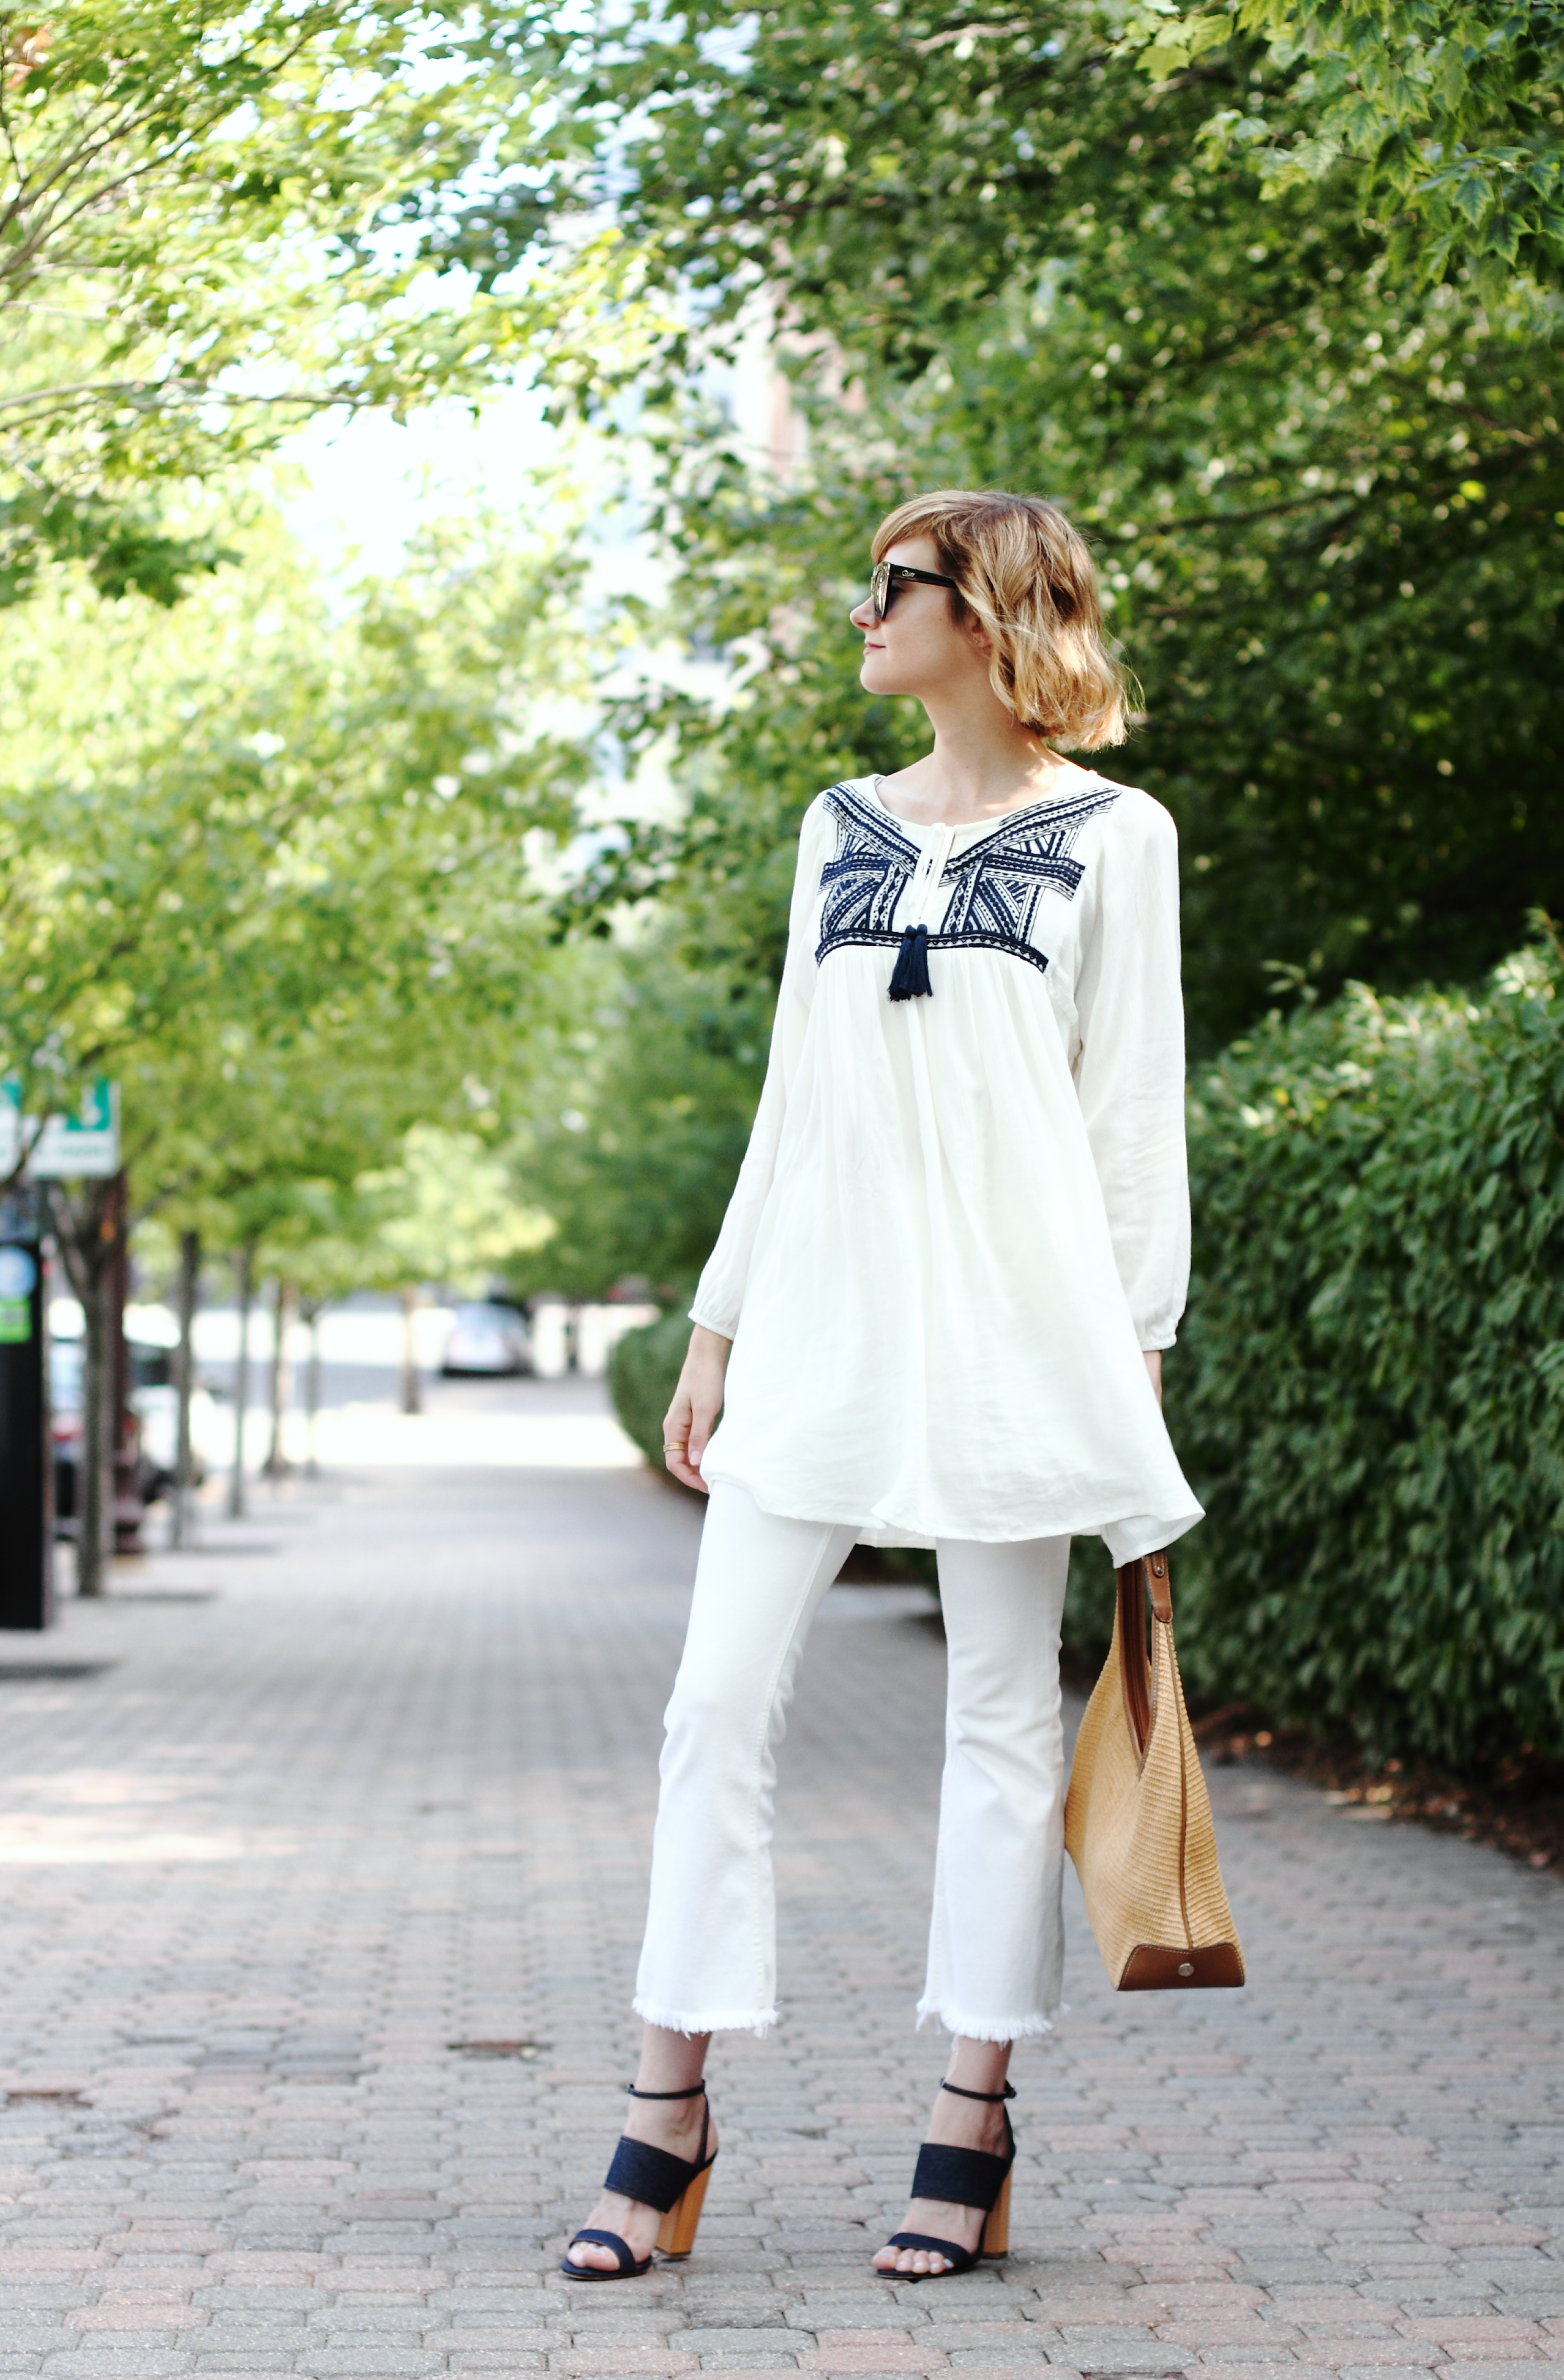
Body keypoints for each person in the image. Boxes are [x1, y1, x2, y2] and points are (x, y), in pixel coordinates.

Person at [563, 487, 1202, 2285]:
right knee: (712, 1705)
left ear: (990, 617)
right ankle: (666, 2107)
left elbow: (1131, 1126)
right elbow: (796, 1097)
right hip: (827, 1325)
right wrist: (714, 1327)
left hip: (1023, 1338)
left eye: (894, 587)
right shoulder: (834, 826)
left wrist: (1128, 1376)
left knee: (1001, 1720)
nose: (864, 613)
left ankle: (969, 2115)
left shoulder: (1114, 837)